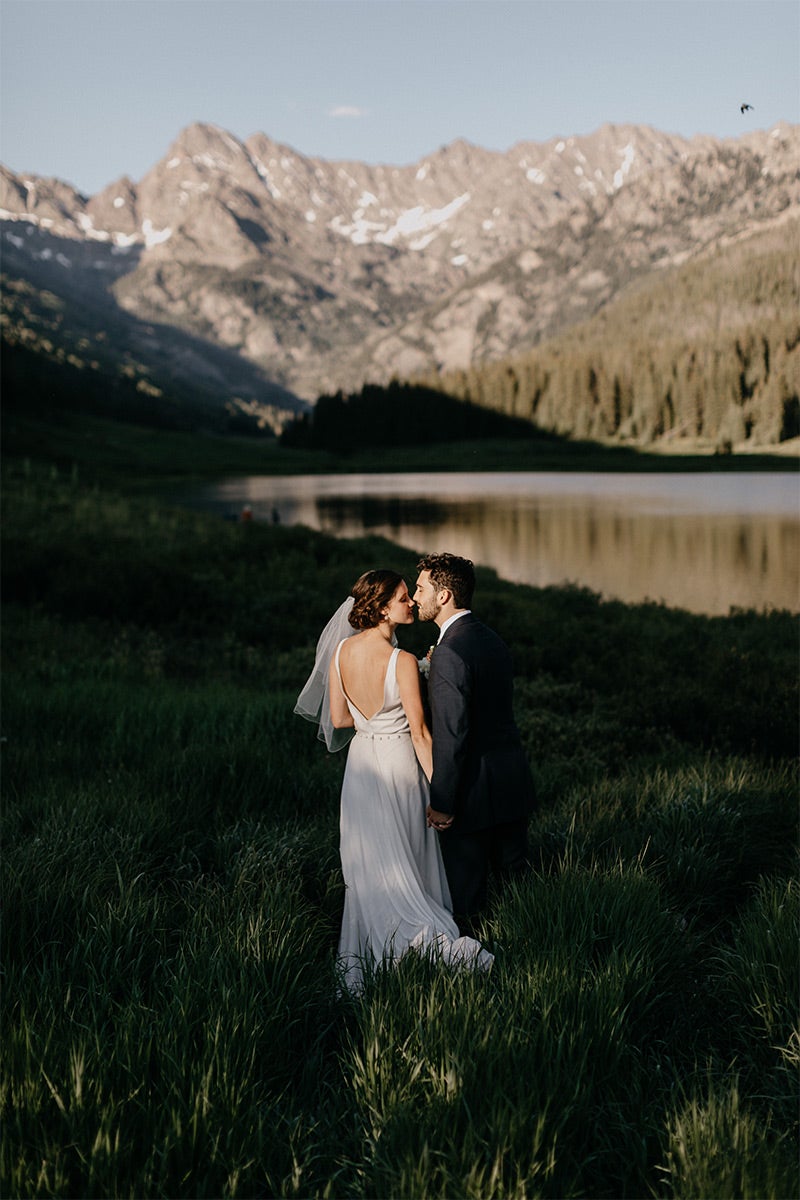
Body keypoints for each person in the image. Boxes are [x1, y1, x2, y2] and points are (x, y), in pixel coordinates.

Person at [294, 569, 493, 992]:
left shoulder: (341, 652)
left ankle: (371, 949)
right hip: (399, 761)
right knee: (410, 855)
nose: (411, 604)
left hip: (362, 767)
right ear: (384, 607)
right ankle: (422, 944)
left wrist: (370, 722)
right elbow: (421, 735)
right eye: (404, 597)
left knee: (372, 861)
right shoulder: (401, 662)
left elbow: (339, 719)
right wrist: (445, 794)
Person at [414, 553, 535, 935]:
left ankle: (473, 973)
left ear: (444, 595)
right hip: (511, 780)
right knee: (519, 889)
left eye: (420, 588)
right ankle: (535, 948)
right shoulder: (491, 639)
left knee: (467, 901)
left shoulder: (449, 652)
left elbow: (453, 735)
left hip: (472, 794)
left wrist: (443, 802)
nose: (415, 597)